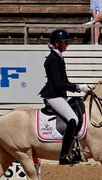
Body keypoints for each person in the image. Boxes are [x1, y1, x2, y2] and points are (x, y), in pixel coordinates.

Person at [38, 29, 90, 165]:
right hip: (53, 95)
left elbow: (65, 81)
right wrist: (77, 87)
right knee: (72, 119)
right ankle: (63, 156)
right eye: (65, 42)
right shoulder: (52, 59)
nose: (67, 45)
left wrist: (78, 88)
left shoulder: (59, 57)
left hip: (60, 94)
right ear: (57, 43)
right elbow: (58, 83)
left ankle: (76, 150)